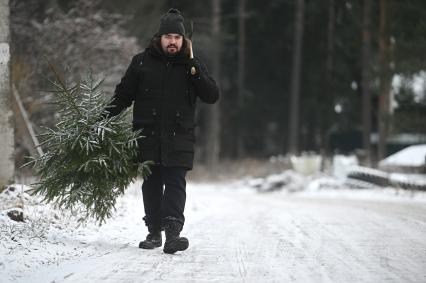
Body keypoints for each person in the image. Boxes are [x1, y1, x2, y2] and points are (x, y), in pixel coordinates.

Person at [105, 8, 219, 254]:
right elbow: (123, 96)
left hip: (180, 137)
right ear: (159, 38)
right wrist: (102, 121)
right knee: (152, 183)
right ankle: (154, 232)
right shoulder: (141, 62)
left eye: (177, 38)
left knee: (176, 183)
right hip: (148, 135)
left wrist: (196, 72)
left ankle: (173, 234)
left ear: (183, 40)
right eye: (168, 37)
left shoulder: (192, 66)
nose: (172, 42)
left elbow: (212, 95)